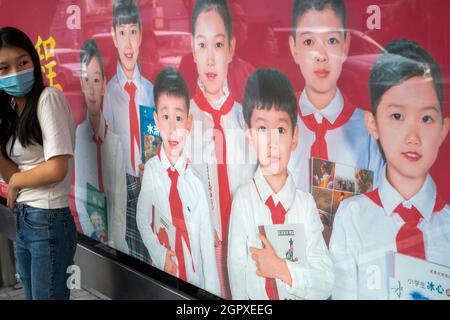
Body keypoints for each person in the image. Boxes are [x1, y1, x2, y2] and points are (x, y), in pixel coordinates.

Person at [329, 39, 450, 299]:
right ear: (372, 124)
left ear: (444, 128)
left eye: (426, 118)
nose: (413, 136)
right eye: (397, 116)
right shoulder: (352, 218)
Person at [228, 68, 333, 300]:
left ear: (294, 137)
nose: (273, 142)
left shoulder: (305, 205)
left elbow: (325, 280)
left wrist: (282, 269)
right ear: (249, 135)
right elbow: (237, 282)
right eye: (263, 129)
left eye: (281, 130)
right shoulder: (244, 201)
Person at [184, 0, 257, 299]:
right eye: (202, 45)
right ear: (192, 48)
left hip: (247, 254)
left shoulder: (247, 120)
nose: (211, 60)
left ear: (231, 48)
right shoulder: (183, 124)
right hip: (203, 257)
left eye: (218, 45)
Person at [0, 27, 77, 300]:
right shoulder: (11, 109)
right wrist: (15, 180)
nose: (15, 72)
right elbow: (12, 176)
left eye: (22, 63)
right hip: (24, 218)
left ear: (34, 60)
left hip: (48, 220)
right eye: (4, 68)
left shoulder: (48, 99)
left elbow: (57, 168)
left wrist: (18, 182)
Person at [136, 67, 220, 296]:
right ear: (155, 119)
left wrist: (210, 291)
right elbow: (142, 220)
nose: (173, 128)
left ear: (189, 123)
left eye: (179, 118)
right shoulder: (152, 171)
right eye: (165, 117)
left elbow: (205, 246)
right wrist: (161, 255)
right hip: (163, 274)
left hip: (194, 280)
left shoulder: (196, 181)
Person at [287, 0, 384, 192]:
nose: (321, 55)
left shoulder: (366, 129)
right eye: (309, 42)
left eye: (332, 41)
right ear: (294, 49)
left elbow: (377, 210)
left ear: (346, 45)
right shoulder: (279, 124)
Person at [102, 0, 154, 262]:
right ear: (113, 36)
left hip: (149, 180)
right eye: (122, 33)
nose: (128, 43)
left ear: (141, 34)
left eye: (133, 31)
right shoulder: (109, 93)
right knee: (130, 251)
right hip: (124, 181)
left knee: (152, 249)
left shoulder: (151, 90)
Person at [73, 39, 128, 253]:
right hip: (91, 238)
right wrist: (93, 234)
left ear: (104, 84)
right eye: (86, 80)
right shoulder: (79, 134)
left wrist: (113, 243)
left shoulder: (114, 142)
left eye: (96, 80)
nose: (91, 90)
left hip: (116, 245)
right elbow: (79, 196)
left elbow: (119, 204)